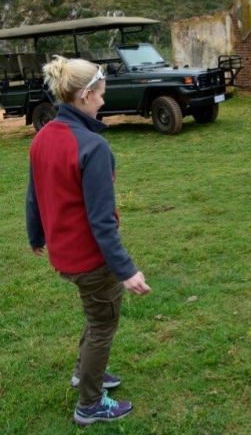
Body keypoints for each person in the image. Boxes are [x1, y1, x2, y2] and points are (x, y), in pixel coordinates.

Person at [26, 55, 151, 426]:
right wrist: (125, 270)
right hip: (89, 259)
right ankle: (90, 404)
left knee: (95, 314)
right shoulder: (93, 148)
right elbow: (101, 221)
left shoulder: (44, 135)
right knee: (103, 325)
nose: (103, 101)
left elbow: (33, 195)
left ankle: (85, 373)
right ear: (83, 96)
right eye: (100, 94)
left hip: (65, 254)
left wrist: (36, 234)